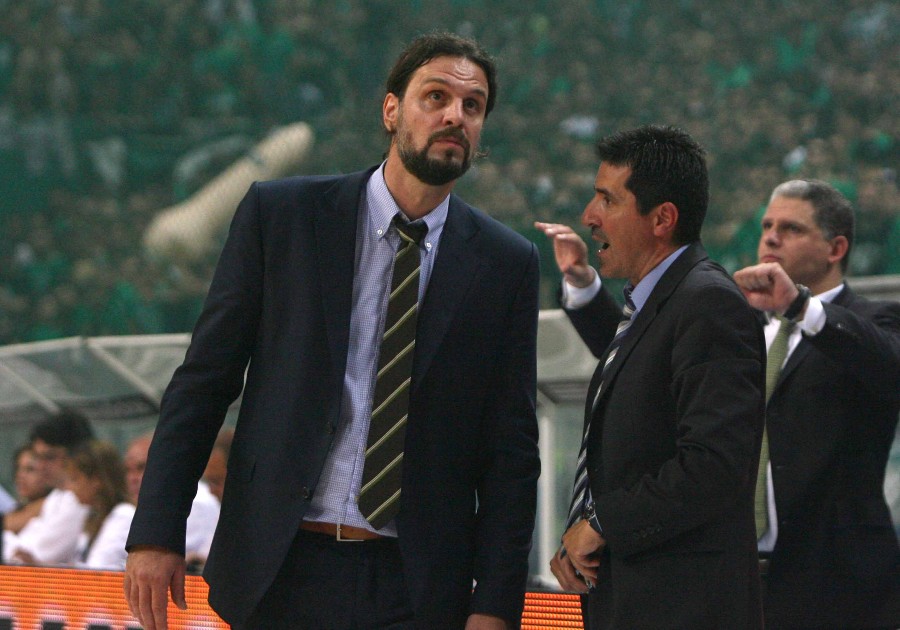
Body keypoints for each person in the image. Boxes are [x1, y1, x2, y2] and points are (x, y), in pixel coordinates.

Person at [124, 31, 540, 630]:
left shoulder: (506, 262)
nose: (455, 115)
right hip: (280, 565)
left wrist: (496, 605)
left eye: (472, 106)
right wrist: (157, 531)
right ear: (391, 110)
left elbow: (511, 449)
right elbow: (204, 382)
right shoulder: (282, 216)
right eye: (436, 97)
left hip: (415, 585)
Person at [536, 125, 765, 629]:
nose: (589, 216)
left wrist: (601, 522)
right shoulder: (662, 302)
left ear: (662, 219)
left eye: (607, 200)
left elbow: (714, 464)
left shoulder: (709, 303)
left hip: (685, 608)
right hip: (636, 598)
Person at [733, 179, 900, 628]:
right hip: (740, 578)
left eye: (791, 228)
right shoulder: (744, 327)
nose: (770, 238)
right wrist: (585, 290)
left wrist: (801, 309)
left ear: (835, 248)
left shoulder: (872, 321)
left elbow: (889, 363)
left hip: (839, 584)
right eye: (767, 226)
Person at [2, 409, 93, 565]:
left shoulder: (77, 501)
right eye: (38, 457)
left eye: (49, 457)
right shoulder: (56, 497)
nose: (41, 466)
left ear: (77, 455)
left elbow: (36, 556)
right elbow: (24, 547)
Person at [123, 432, 220, 559]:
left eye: (141, 467)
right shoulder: (139, 508)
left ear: (166, 464)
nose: (132, 478)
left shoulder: (195, 502)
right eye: (128, 470)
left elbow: (156, 559)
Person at [66, 439, 135, 571]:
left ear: (96, 480)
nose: (70, 488)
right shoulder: (93, 517)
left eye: (75, 479)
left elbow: (98, 569)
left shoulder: (123, 515)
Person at [2, 445, 53, 534]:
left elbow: (10, 524)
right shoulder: (17, 508)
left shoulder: (53, 504)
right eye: (18, 468)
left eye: (30, 469)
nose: (20, 475)